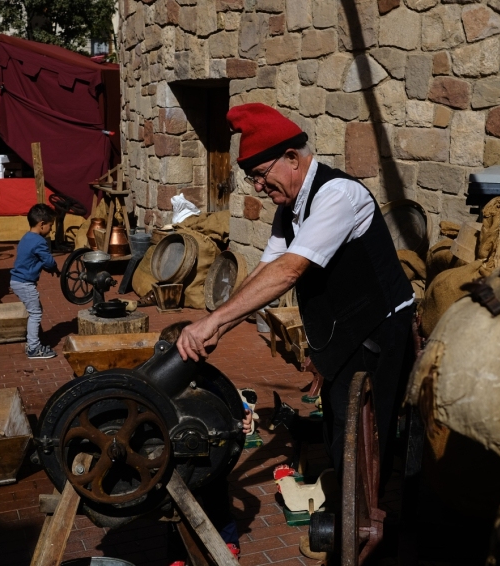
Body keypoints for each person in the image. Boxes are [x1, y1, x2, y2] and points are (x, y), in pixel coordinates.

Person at [176, 103, 415, 479]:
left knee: (363, 441)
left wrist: (214, 321)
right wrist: (218, 326)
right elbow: (266, 270)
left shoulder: (337, 195)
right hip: (343, 331)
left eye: (260, 175)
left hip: (378, 330)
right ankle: (347, 505)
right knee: (338, 427)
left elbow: (289, 271)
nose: (257, 187)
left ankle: (368, 523)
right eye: (251, 179)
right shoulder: (288, 208)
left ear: (291, 157)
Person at [160, 320, 250, 559]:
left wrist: (244, 419)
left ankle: (228, 540)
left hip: (212, 458)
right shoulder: (161, 389)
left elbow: (233, 405)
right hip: (175, 462)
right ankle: (177, 556)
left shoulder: (209, 384)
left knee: (218, 501)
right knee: (173, 509)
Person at [10, 204, 59, 359]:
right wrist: (54, 268)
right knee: (36, 313)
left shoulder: (26, 237)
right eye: (50, 225)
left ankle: (33, 342)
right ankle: (33, 348)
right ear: (42, 224)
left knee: (36, 310)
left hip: (17, 281)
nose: (51, 229)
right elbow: (49, 262)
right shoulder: (39, 242)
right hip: (24, 283)